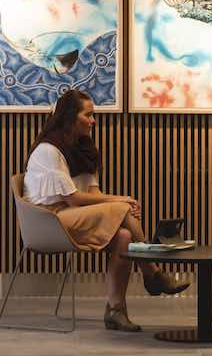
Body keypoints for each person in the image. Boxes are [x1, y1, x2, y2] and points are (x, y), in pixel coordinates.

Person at [23, 89, 189, 333]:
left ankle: (116, 311)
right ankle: (152, 271)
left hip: (71, 214)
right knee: (123, 208)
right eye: (88, 115)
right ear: (70, 117)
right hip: (49, 220)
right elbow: (74, 199)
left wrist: (120, 204)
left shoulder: (83, 148)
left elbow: (92, 196)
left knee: (124, 236)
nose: (93, 121)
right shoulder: (49, 149)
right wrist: (121, 201)